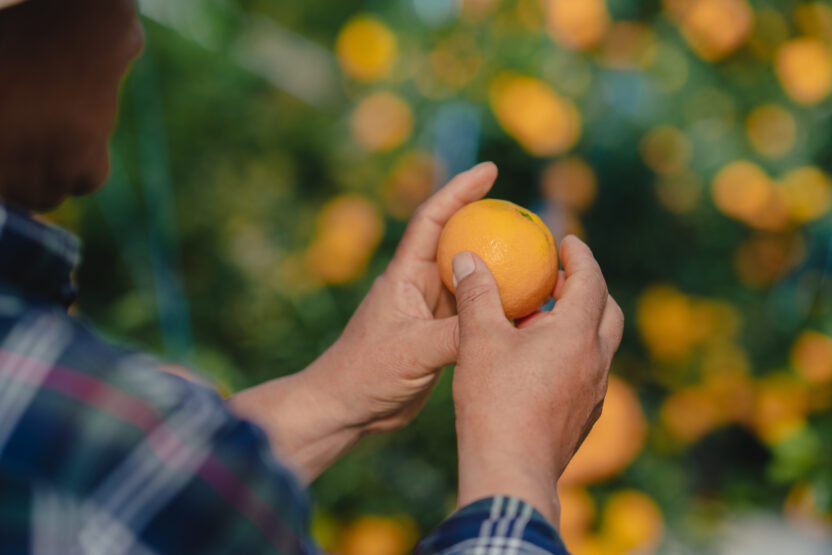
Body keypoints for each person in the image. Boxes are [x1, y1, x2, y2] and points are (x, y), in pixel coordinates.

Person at [0, 0, 624, 553]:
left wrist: (335, 397)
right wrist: (514, 467)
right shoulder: (68, 429)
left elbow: (134, 501)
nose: (134, 33)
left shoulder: (48, 408)